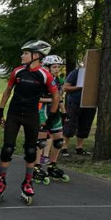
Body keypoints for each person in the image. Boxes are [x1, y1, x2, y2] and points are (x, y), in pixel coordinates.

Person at [0, 40, 59, 206]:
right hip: (14, 114)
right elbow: (7, 91)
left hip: (31, 116)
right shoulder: (18, 72)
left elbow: (56, 97)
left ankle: (27, 182)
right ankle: (1, 181)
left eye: (25, 53)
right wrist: (0, 111)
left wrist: (50, 119)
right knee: (7, 149)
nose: (22, 55)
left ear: (35, 56)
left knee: (31, 151)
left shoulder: (45, 74)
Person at [34, 55, 69, 183]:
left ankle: (52, 166)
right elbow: (35, 98)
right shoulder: (40, 80)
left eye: (58, 67)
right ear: (47, 67)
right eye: (54, 67)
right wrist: (51, 99)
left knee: (59, 140)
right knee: (41, 141)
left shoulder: (58, 80)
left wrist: (64, 113)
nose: (57, 69)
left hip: (55, 112)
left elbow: (59, 98)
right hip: (42, 110)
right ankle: (36, 168)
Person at [62, 62, 96, 156]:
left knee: (85, 125)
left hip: (89, 103)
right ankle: (64, 148)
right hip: (75, 102)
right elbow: (65, 87)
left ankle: (79, 148)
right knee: (70, 124)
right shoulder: (76, 73)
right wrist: (80, 87)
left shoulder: (96, 74)